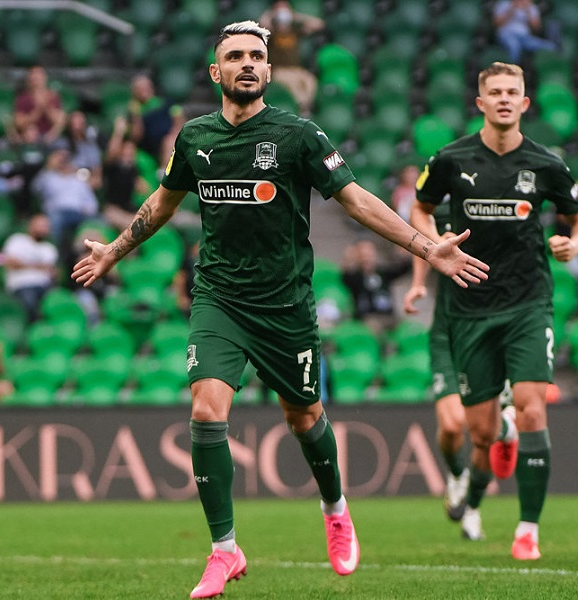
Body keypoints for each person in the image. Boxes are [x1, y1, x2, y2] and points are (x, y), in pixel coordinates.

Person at [72, 21, 489, 599]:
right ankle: (224, 549)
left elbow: (357, 201)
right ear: (216, 71)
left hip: (285, 305)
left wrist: (425, 247)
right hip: (219, 298)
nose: (247, 63)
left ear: (269, 70)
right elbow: (163, 203)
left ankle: (335, 509)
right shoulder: (194, 138)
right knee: (205, 410)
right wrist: (115, 251)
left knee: (304, 418)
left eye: (256, 56)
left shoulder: (298, 135)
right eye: (234, 56)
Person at [411, 62, 578, 560]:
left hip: (527, 303)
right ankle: (497, 444)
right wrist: (433, 245)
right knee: (482, 433)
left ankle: (527, 529)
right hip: (469, 308)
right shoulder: (450, 159)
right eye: (495, 92)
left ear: (525, 102)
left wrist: (575, 244)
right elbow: (420, 208)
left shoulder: (545, 163)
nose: (504, 99)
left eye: (513, 92)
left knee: (533, 407)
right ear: (480, 102)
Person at [403, 201, 471, 522]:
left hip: (493, 329)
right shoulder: (441, 207)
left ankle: (475, 510)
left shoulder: (502, 205)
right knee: (453, 424)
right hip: (448, 332)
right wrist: (418, 283)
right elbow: (425, 242)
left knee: (487, 431)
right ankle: (457, 473)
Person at [259, 0, 324, 116]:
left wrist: (296, 16)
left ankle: (306, 105)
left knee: (310, 80)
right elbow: (262, 24)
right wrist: (271, 14)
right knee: (294, 84)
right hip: (279, 70)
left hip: (296, 69)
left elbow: (319, 25)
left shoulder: (294, 31)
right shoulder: (271, 32)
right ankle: (303, 108)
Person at [31, 142, 99, 247]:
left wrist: (88, 210)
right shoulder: (49, 177)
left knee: (99, 221)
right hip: (57, 212)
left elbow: (92, 203)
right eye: (61, 158)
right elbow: (35, 188)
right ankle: (56, 252)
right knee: (55, 220)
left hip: (78, 213)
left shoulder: (79, 179)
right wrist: (48, 168)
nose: (64, 161)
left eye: (66, 158)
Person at [341, 238, 410, 335]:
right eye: (363, 254)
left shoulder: (382, 272)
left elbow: (403, 269)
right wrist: (348, 257)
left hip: (388, 315)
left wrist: (404, 254)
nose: (367, 257)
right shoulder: (355, 276)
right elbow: (345, 276)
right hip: (368, 317)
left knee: (406, 329)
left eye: (369, 253)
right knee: (374, 327)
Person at [2, 213, 58, 322]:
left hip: (43, 286)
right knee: (30, 300)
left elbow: (51, 270)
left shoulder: (50, 248)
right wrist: (38, 266)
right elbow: (11, 264)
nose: (43, 229)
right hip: (21, 285)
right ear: (30, 226)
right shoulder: (16, 240)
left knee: (56, 300)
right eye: (40, 225)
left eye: (45, 226)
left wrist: (24, 264)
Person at [127, 73, 185, 170]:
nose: (146, 90)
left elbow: (179, 121)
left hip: (168, 141)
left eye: (147, 86)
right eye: (141, 88)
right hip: (145, 148)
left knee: (171, 142)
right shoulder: (133, 110)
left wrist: (173, 135)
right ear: (135, 92)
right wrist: (136, 115)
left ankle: (164, 171)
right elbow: (136, 136)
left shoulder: (166, 103)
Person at [102, 115, 148, 231]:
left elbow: (142, 189)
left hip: (128, 209)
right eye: (126, 150)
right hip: (112, 209)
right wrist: (119, 132)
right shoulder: (112, 166)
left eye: (132, 151)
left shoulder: (133, 169)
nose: (129, 153)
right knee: (133, 227)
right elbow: (112, 152)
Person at [11, 65, 66, 146]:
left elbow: (59, 121)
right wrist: (37, 111)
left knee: (63, 145)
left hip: (49, 137)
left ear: (45, 78)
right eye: (33, 75)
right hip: (28, 136)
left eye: (39, 76)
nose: (36, 78)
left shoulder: (53, 97)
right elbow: (19, 123)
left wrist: (46, 107)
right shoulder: (22, 98)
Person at [492, 0, 558, 64]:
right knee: (514, 46)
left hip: (525, 37)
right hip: (507, 34)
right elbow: (497, 24)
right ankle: (512, 69)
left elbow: (536, 28)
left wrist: (527, 10)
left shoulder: (531, 7)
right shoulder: (504, 4)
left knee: (550, 47)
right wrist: (512, 8)